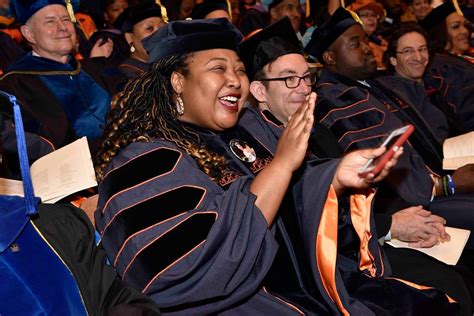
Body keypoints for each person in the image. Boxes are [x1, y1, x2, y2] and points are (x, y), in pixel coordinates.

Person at [94, 17, 457, 315]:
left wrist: (335, 178)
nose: (235, 79)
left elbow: (289, 209)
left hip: (316, 286)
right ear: (177, 81)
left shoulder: (245, 132)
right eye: (218, 68)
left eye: (238, 69)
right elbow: (193, 271)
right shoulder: (145, 162)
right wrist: (282, 165)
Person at [241, 16, 472, 315]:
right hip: (320, 270)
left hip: (360, 242)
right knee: (445, 288)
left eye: (306, 77)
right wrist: (392, 226)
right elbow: (301, 221)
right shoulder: (256, 148)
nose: (302, 88)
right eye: (288, 79)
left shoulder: (314, 129)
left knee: (460, 270)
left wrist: (396, 220)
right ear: (260, 92)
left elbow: (352, 198)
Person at [307, 6, 474, 249]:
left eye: (365, 40)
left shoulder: (369, 85)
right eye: (355, 44)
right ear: (330, 58)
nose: (367, 48)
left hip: (436, 183)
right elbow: (382, 172)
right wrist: (446, 184)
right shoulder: (336, 99)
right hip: (410, 207)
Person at [0, 0, 115, 178]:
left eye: (66, 19)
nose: (62, 28)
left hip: (124, 165)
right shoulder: (15, 85)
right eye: (50, 22)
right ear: (28, 34)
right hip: (72, 184)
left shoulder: (93, 69)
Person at [379, 22, 467, 140]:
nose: (418, 57)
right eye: (408, 51)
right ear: (393, 59)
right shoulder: (393, 98)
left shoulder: (434, 85)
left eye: (422, 49)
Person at [113, 0, 166, 79]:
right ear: (130, 38)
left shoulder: (168, 64)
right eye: (149, 28)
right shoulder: (128, 76)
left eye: (162, 27)